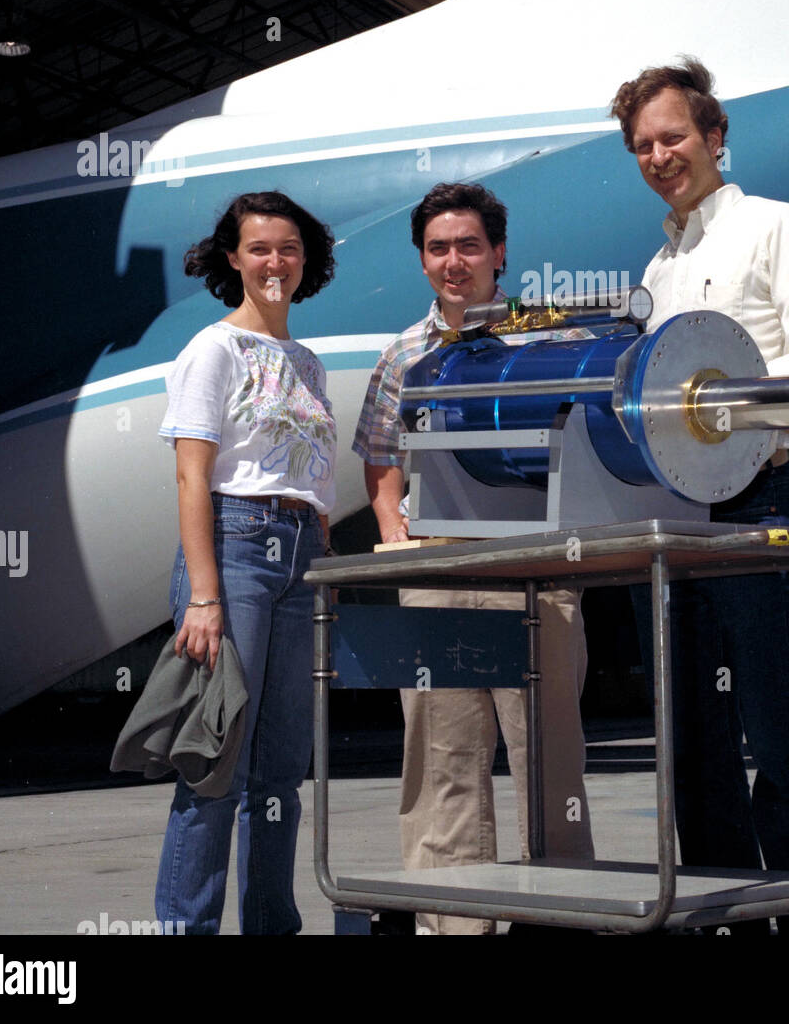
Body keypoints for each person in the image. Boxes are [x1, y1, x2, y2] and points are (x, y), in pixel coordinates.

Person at [610, 58, 789, 912]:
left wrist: (722, 415)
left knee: (780, 728)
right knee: (690, 736)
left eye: (673, 136)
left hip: (761, 503)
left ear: (715, 137)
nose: (659, 154)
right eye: (642, 144)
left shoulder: (779, 227)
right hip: (673, 515)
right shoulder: (656, 270)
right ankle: (721, 912)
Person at [353, 181, 594, 934]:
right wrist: (396, 534)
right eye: (437, 248)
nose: (453, 261)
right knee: (441, 759)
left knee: (547, 754)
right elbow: (381, 458)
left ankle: (558, 915)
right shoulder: (403, 353)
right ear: (423, 261)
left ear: (499, 253)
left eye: (468, 246)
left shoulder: (548, 337)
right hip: (438, 572)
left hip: (536, 566)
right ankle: (450, 921)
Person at [154, 190, 337, 934]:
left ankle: (271, 923)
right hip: (233, 552)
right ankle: (186, 926)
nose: (275, 262)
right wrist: (204, 596)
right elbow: (192, 475)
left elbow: (312, 479)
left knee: (282, 771)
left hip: (300, 557)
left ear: (306, 260)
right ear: (233, 257)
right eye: (259, 248)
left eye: (288, 248)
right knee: (216, 763)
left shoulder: (308, 361)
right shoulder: (213, 349)